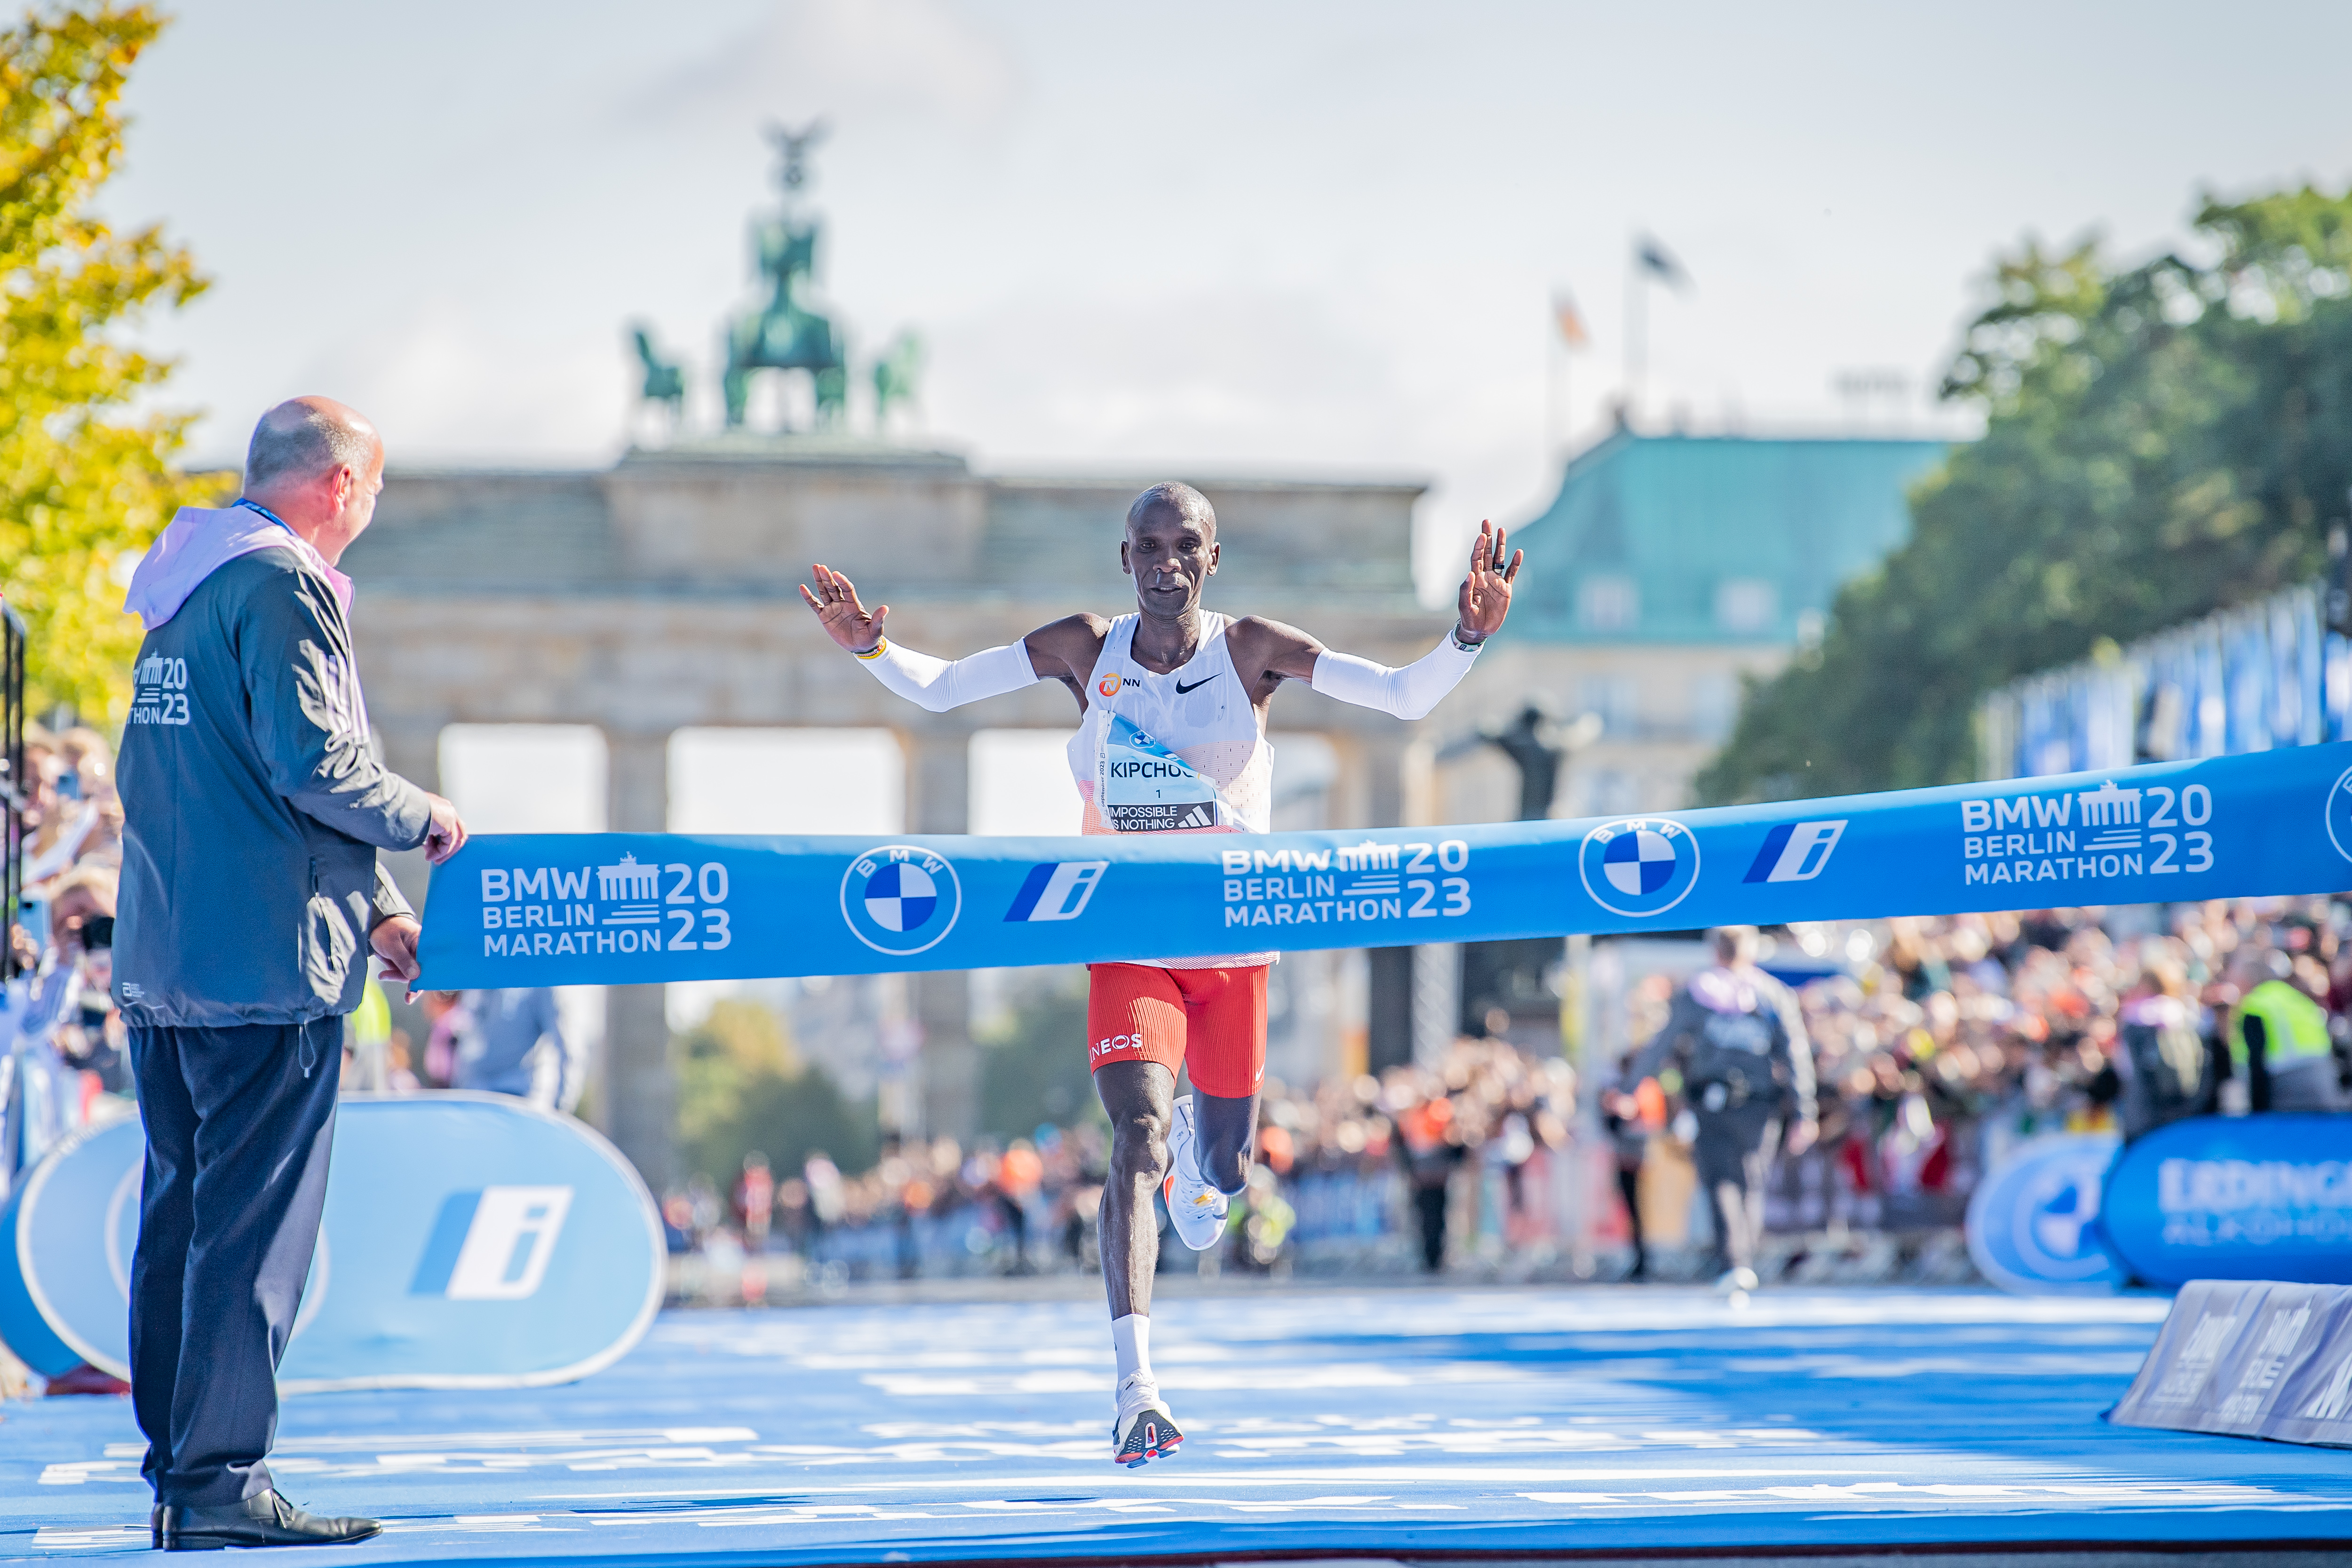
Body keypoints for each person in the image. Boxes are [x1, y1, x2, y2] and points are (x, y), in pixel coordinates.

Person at [801, 481, 1519, 1465]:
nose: (1168, 562)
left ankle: (1206, 1151)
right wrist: (869, 647)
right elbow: (941, 690)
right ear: (1125, 558)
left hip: (1232, 947)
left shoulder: (1251, 650)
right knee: (1133, 1135)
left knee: (1222, 1169)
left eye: (1187, 545)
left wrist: (1465, 640)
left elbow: (1397, 697)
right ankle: (1136, 1385)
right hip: (1127, 939)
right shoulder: (1080, 649)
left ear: (1211, 560)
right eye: (1150, 545)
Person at [114, 397, 467, 1551]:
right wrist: (425, 820)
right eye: (370, 489)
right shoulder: (285, 586)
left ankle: (180, 1472)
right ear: (336, 487)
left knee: (181, 1217)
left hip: (170, 955)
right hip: (264, 962)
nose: (369, 512)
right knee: (253, 1235)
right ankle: (223, 1478)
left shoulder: (183, 590)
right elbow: (318, 765)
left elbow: (223, 783)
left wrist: (374, 911)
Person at [1633, 927, 1817, 1294]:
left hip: (1714, 1100)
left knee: (1723, 1182)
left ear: (1714, 950)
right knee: (1750, 1180)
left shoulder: (1699, 993)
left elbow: (1662, 1045)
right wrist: (1803, 1111)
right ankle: (1742, 1260)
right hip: (1756, 1103)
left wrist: (1630, 1088)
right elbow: (1795, 1054)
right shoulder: (1772, 993)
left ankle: (1734, 1262)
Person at [2225, 951, 2343, 1112]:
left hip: (2288, 1087)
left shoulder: (2255, 1005)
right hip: (2324, 1081)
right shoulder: (2291, 995)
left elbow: (2256, 1063)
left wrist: (2257, 1112)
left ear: (2246, 979)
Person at [453, 986, 580, 1109]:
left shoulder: (540, 983)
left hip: (517, 1103)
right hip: (471, 1100)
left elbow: (565, 1048)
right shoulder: (477, 978)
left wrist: (560, 1107)